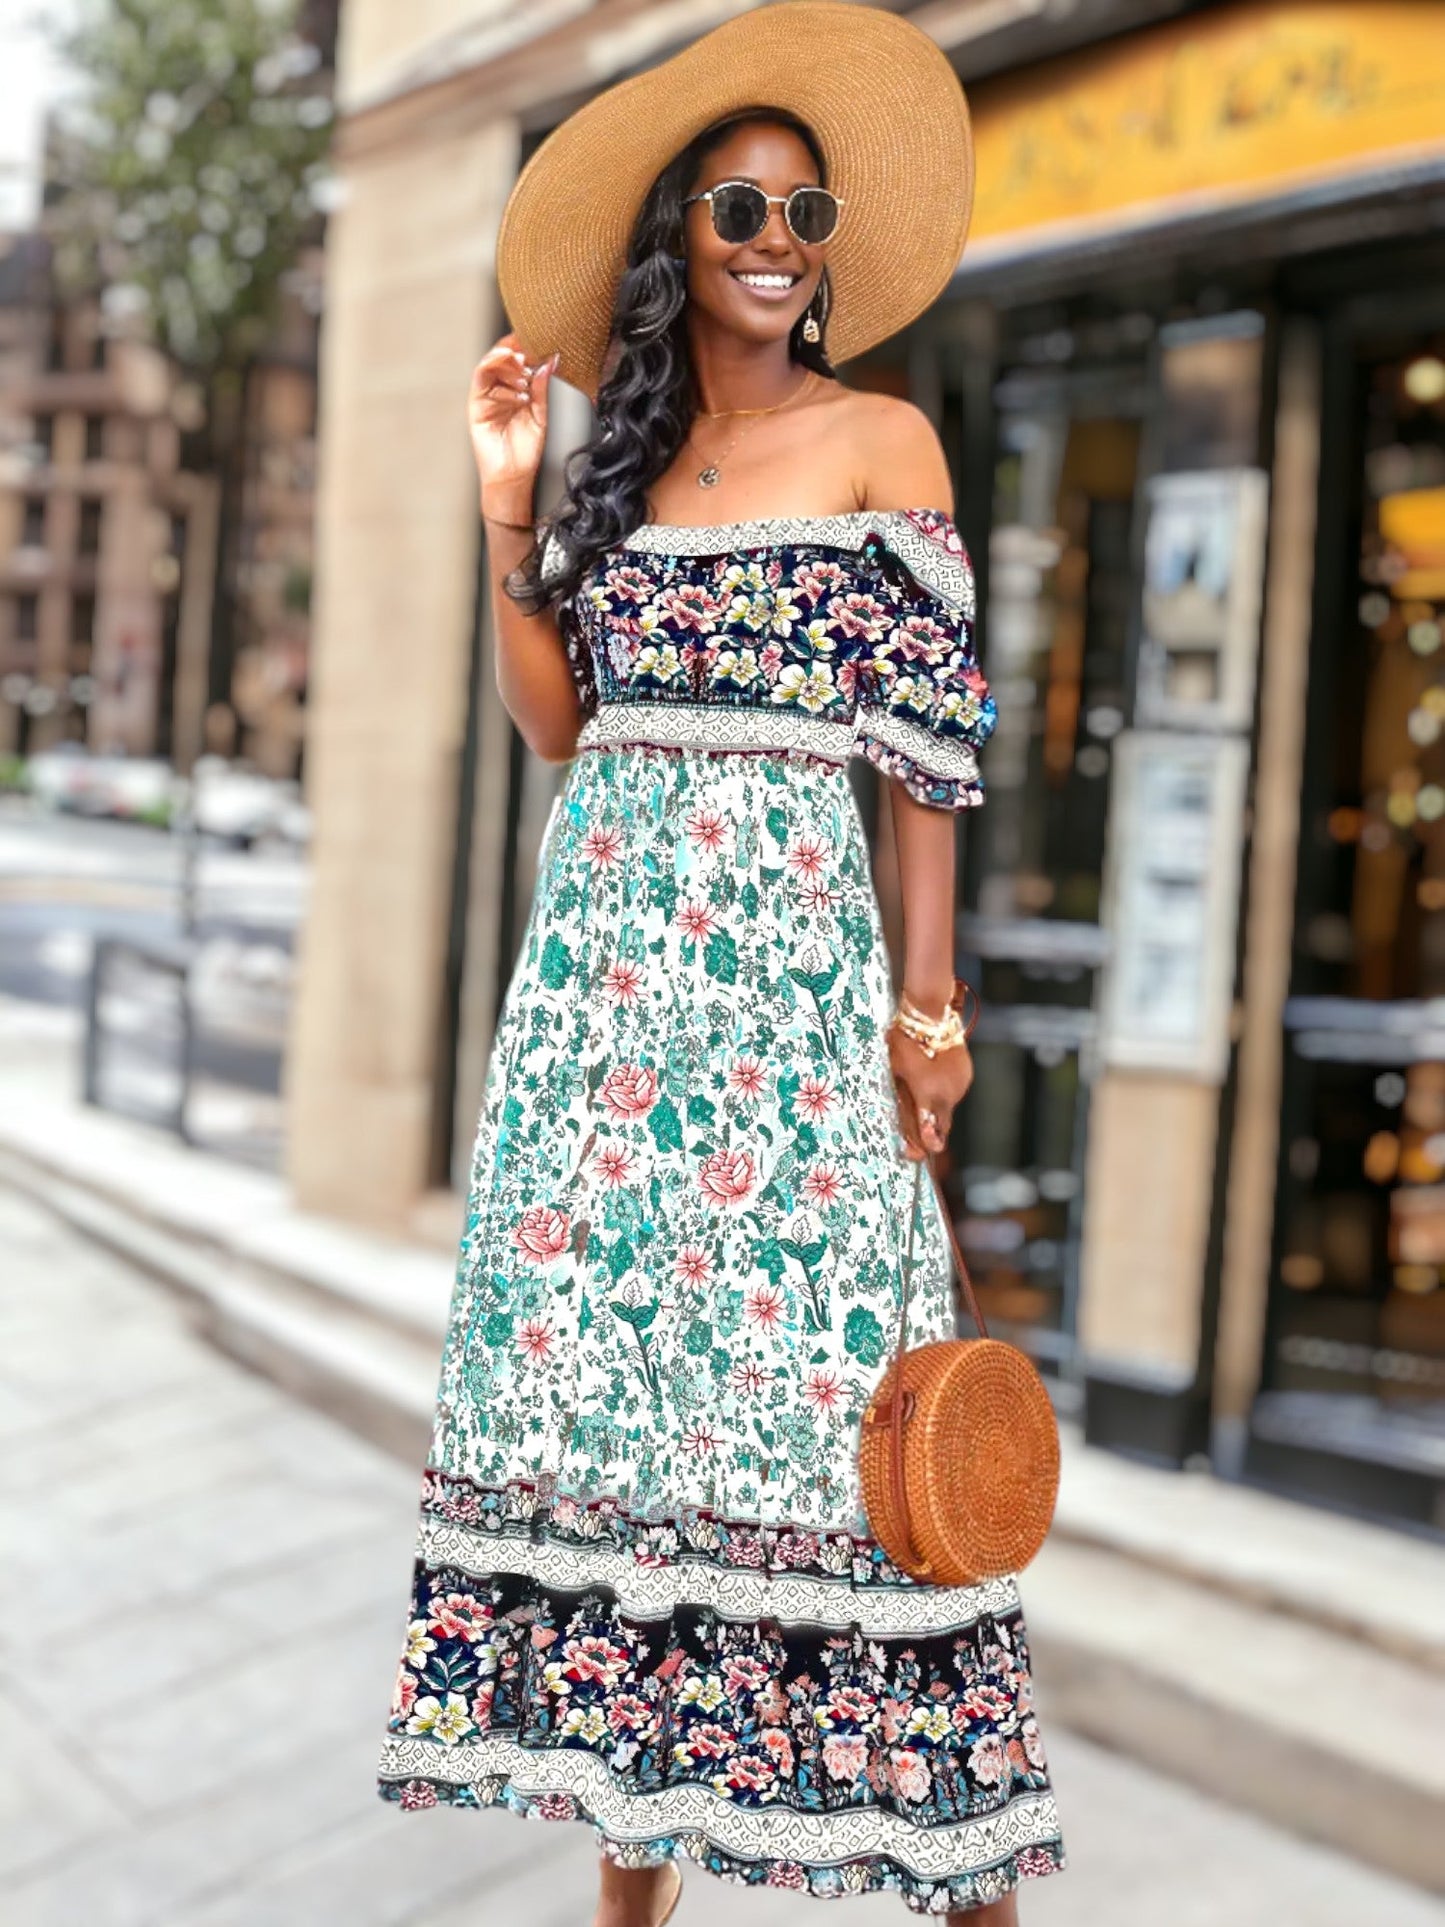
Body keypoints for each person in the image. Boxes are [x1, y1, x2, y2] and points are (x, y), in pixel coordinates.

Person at [375, 6, 1065, 1921]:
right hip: (604, 1016)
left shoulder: (884, 439)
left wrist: (929, 1008)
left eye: (802, 206)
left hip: (788, 1003)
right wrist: (512, 494)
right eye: (737, 204)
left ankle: (966, 1880)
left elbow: (927, 756)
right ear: (678, 238)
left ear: (826, 241)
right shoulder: (633, 461)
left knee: (852, 1437)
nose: (773, 234)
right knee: (626, 1433)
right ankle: (630, 1879)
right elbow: (552, 728)